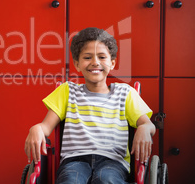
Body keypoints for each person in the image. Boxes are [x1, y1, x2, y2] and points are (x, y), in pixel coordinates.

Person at [24, 27, 155, 184]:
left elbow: (148, 124)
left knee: (106, 179)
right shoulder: (67, 91)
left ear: (112, 63)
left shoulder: (125, 93)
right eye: (87, 57)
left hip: (113, 161)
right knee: (71, 180)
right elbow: (46, 127)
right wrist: (36, 128)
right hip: (74, 160)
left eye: (101, 57)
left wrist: (144, 128)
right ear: (77, 64)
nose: (95, 62)